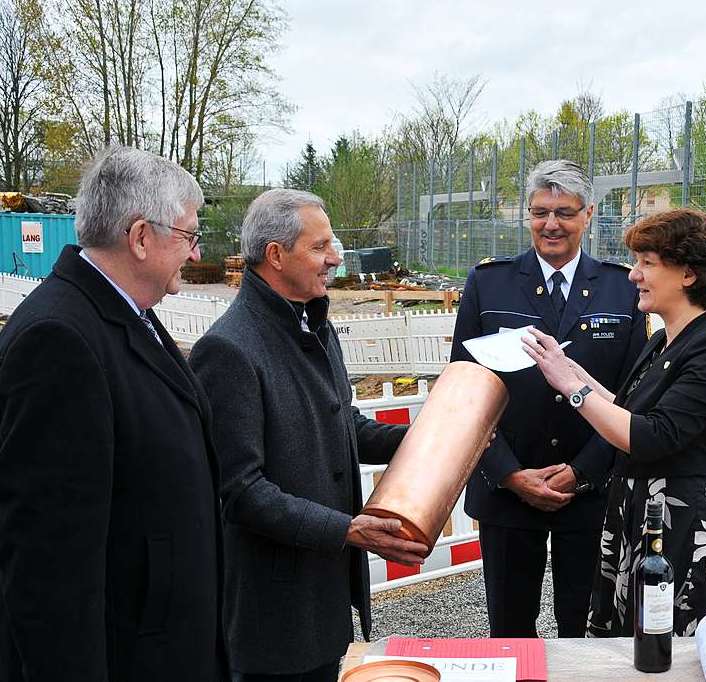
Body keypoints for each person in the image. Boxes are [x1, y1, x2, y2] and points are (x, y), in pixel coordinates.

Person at [0, 147, 228, 681]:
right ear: (142, 237)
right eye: (190, 236)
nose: (195, 256)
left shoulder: (126, 314)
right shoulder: (59, 338)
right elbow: (47, 568)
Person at [189, 189, 428, 682]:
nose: (335, 258)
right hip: (273, 615)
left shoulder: (316, 326)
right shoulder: (228, 349)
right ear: (275, 255)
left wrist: (435, 437)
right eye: (320, 247)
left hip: (322, 598)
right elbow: (241, 492)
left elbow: (348, 430)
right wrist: (346, 529)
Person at [523, 207, 706, 637]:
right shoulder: (666, 337)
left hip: (683, 528)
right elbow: (625, 408)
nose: (633, 274)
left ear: (687, 274)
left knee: (669, 654)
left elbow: (648, 436)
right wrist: (566, 367)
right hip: (643, 517)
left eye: (647, 263)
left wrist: (570, 389)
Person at [450, 159, 647, 638]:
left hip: (590, 493)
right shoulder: (489, 283)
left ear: (589, 215)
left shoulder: (625, 289)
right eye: (540, 212)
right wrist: (510, 474)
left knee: (584, 630)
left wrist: (581, 472)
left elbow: (632, 398)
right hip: (508, 493)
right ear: (528, 214)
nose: (551, 224)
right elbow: (463, 391)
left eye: (564, 212)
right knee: (511, 631)